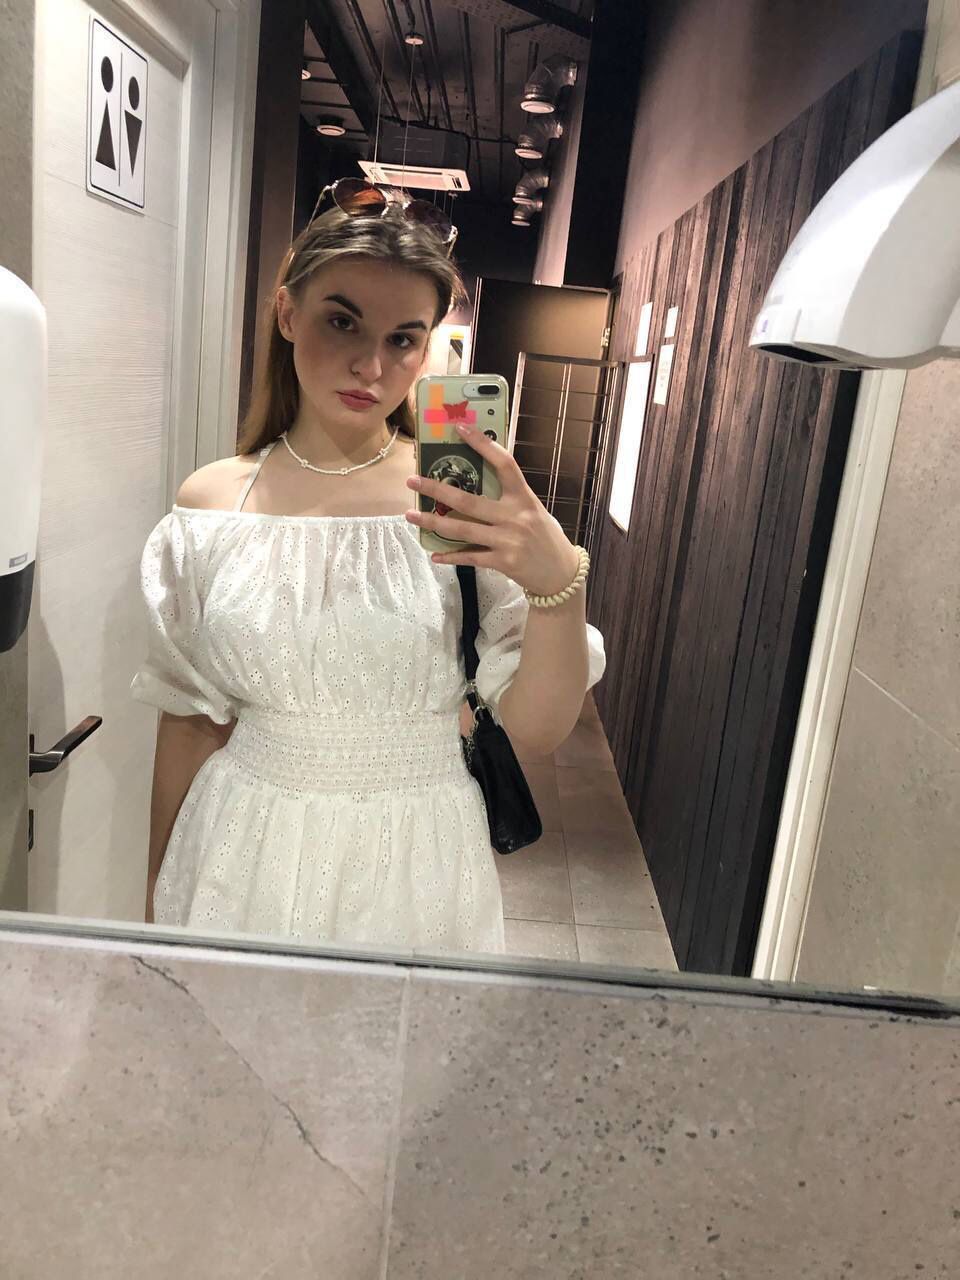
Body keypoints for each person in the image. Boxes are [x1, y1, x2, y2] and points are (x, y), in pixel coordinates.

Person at [130, 183, 606, 954]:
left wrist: (558, 582)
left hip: (419, 857)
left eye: (403, 339)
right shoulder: (212, 506)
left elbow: (536, 729)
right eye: (342, 321)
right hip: (239, 852)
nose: (369, 364)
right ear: (288, 314)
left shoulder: (457, 503)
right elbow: (188, 722)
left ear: (427, 349)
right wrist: (155, 905)